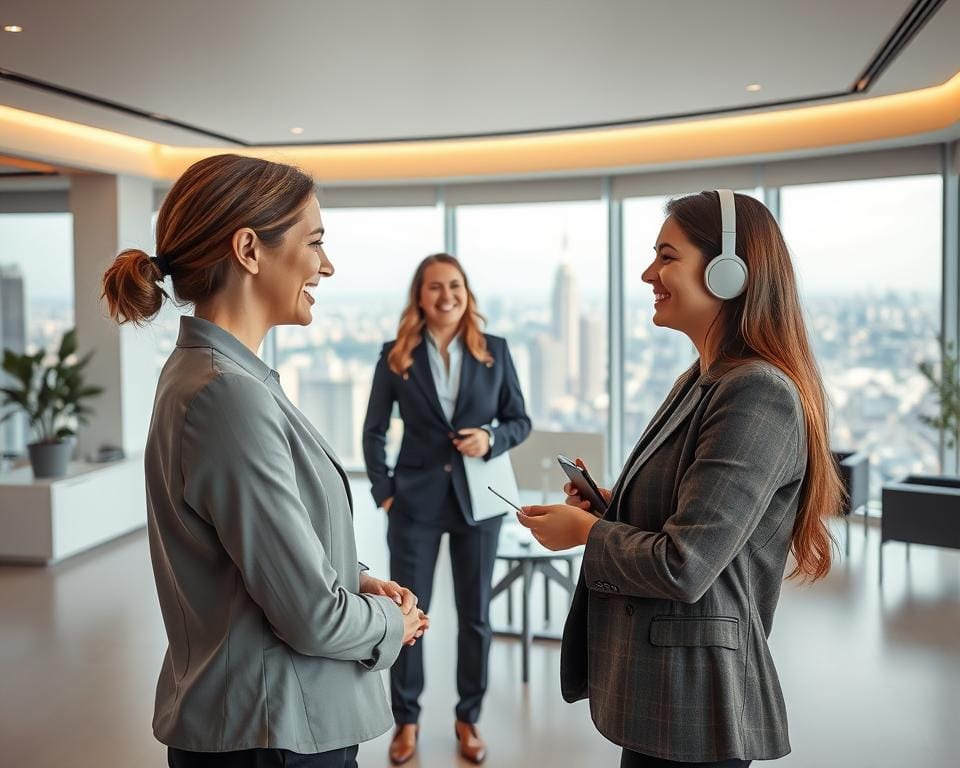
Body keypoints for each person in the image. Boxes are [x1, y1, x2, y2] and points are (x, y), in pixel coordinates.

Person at [101, 154, 429, 768]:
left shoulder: (219, 377)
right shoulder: (227, 394)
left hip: (267, 724)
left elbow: (258, 544)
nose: (327, 265)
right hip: (274, 733)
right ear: (250, 249)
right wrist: (393, 622)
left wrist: (352, 578)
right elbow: (311, 619)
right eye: (315, 243)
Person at [517, 190, 842, 767]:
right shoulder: (703, 379)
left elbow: (684, 563)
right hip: (664, 695)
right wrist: (612, 506)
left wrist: (586, 534)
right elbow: (700, 514)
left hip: (697, 705)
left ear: (726, 272)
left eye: (667, 256)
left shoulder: (756, 392)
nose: (649, 273)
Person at [362, 253, 531, 765]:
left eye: (454, 286)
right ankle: (406, 720)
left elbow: (519, 420)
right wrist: (384, 491)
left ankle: (467, 718)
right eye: (435, 287)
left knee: (476, 616)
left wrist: (491, 437)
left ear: (467, 292)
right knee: (407, 612)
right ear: (420, 295)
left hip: (478, 505)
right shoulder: (396, 355)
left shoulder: (494, 352)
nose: (446, 296)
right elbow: (373, 430)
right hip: (412, 504)